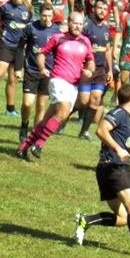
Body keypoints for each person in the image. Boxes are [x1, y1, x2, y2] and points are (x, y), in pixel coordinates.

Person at [74, 83, 130, 258]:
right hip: (116, 168)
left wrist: (128, 149)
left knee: (123, 217)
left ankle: (87, 220)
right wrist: (118, 149)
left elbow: (113, 137)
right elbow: (101, 130)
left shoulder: (124, 117)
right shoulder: (120, 113)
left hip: (106, 168)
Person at [16, 11, 94, 159]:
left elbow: (90, 60)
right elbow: (41, 53)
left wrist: (89, 70)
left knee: (47, 119)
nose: (77, 26)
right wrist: (42, 68)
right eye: (74, 23)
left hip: (73, 85)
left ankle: (23, 147)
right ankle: (39, 144)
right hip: (58, 80)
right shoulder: (58, 38)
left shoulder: (86, 41)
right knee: (63, 112)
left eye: (80, 24)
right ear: (68, 23)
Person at [17, 3, 62, 140]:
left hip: (48, 73)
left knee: (41, 106)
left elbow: (59, 52)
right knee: (27, 103)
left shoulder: (57, 31)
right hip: (31, 70)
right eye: (44, 15)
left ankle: (34, 135)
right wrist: (19, 68)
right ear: (39, 14)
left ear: (53, 16)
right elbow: (20, 48)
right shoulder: (31, 28)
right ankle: (24, 124)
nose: (46, 19)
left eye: (49, 16)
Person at [76, 0, 115, 140]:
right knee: (83, 101)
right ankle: (63, 119)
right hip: (86, 68)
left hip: (100, 70)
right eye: (100, 8)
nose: (102, 11)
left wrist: (109, 70)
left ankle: (84, 131)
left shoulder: (106, 28)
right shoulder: (86, 25)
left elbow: (107, 50)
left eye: (105, 9)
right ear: (93, 9)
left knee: (96, 99)